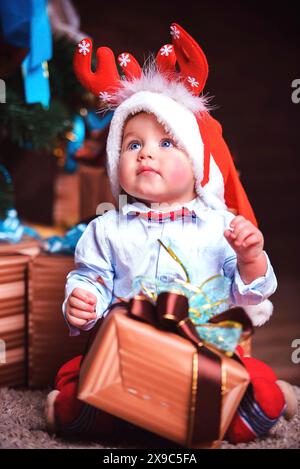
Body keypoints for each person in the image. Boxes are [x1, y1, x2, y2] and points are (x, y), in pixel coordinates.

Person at [45, 23, 297, 444]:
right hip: (129, 354)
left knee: (249, 398)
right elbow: (92, 277)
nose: (146, 152)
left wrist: (251, 256)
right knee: (87, 393)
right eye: (132, 144)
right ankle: (69, 409)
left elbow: (249, 294)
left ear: (197, 163)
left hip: (204, 356)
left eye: (166, 143)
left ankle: (274, 397)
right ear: (116, 165)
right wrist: (82, 299)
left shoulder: (220, 226)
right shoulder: (107, 229)